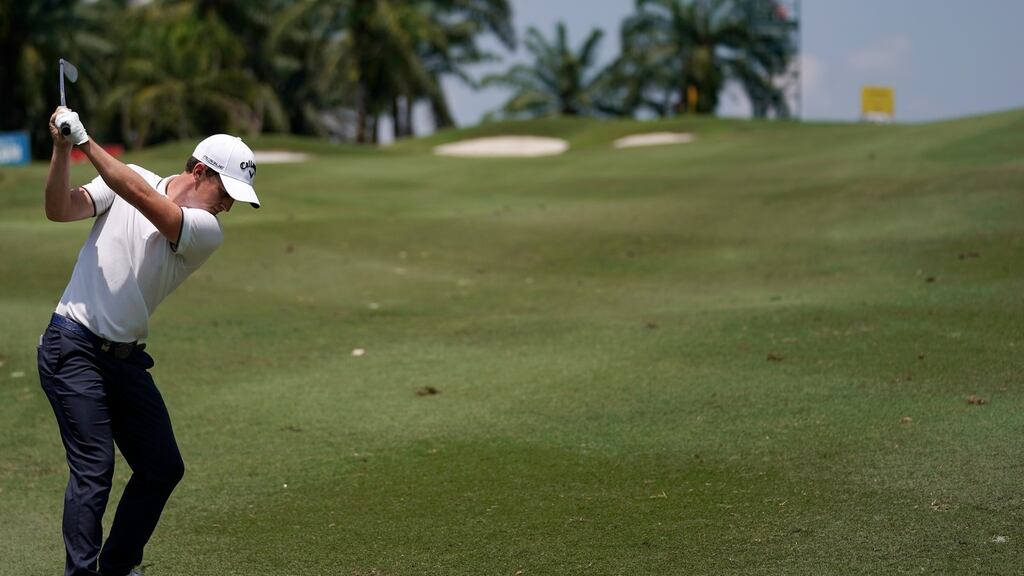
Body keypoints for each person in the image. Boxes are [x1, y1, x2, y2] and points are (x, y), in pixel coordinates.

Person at [37, 106, 260, 576]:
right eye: (226, 191)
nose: (228, 205)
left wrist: (86, 143)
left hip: (123, 360)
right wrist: (62, 151)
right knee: (94, 470)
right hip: (72, 344)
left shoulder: (204, 231)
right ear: (200, 171)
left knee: (162, 467)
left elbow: (137, 195)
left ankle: (117, 566)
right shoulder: (130, 175)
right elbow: (60, 209)